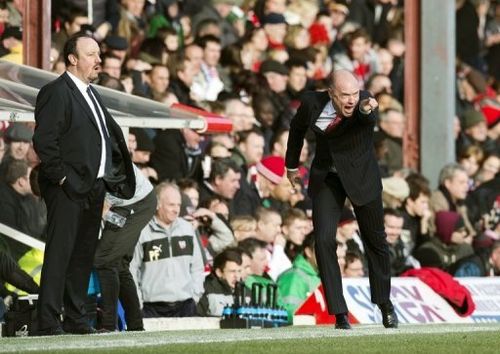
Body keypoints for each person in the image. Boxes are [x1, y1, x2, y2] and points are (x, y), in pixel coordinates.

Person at [32, 33, 135, 336]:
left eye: (99, 54)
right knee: (60, 254)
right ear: (73, 58)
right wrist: (64, 178)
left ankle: (76, 319)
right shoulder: (56, 91)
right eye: (91, 54)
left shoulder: (92, 92)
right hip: (67, 187)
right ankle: (49, 321)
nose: (98, 60)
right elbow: (45, 141)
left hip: (94, 187)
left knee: (82, 256)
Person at [285, 69, 397, 329]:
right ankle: (339, 313)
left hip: (362, 179)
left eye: (354, 94)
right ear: (331, 93)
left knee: (375, 241)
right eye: (344, 95)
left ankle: (384, 304)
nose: (351, 100)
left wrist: (366, 108)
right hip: (328, 179)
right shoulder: (312, 103)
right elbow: (297, 128)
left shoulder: (364, 102)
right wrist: (291, 165)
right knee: (323, 241)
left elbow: (366, 115)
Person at [130, 182, 204, 318]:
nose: (176, 210)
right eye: (171, 205)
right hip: (152, 308)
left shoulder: (187, 229)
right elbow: (132, 270)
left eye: (178, 205)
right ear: (157, 204)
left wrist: (195, 297)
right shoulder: (142, 232)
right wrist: (138, 304)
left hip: (186, 306)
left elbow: (197, 268)